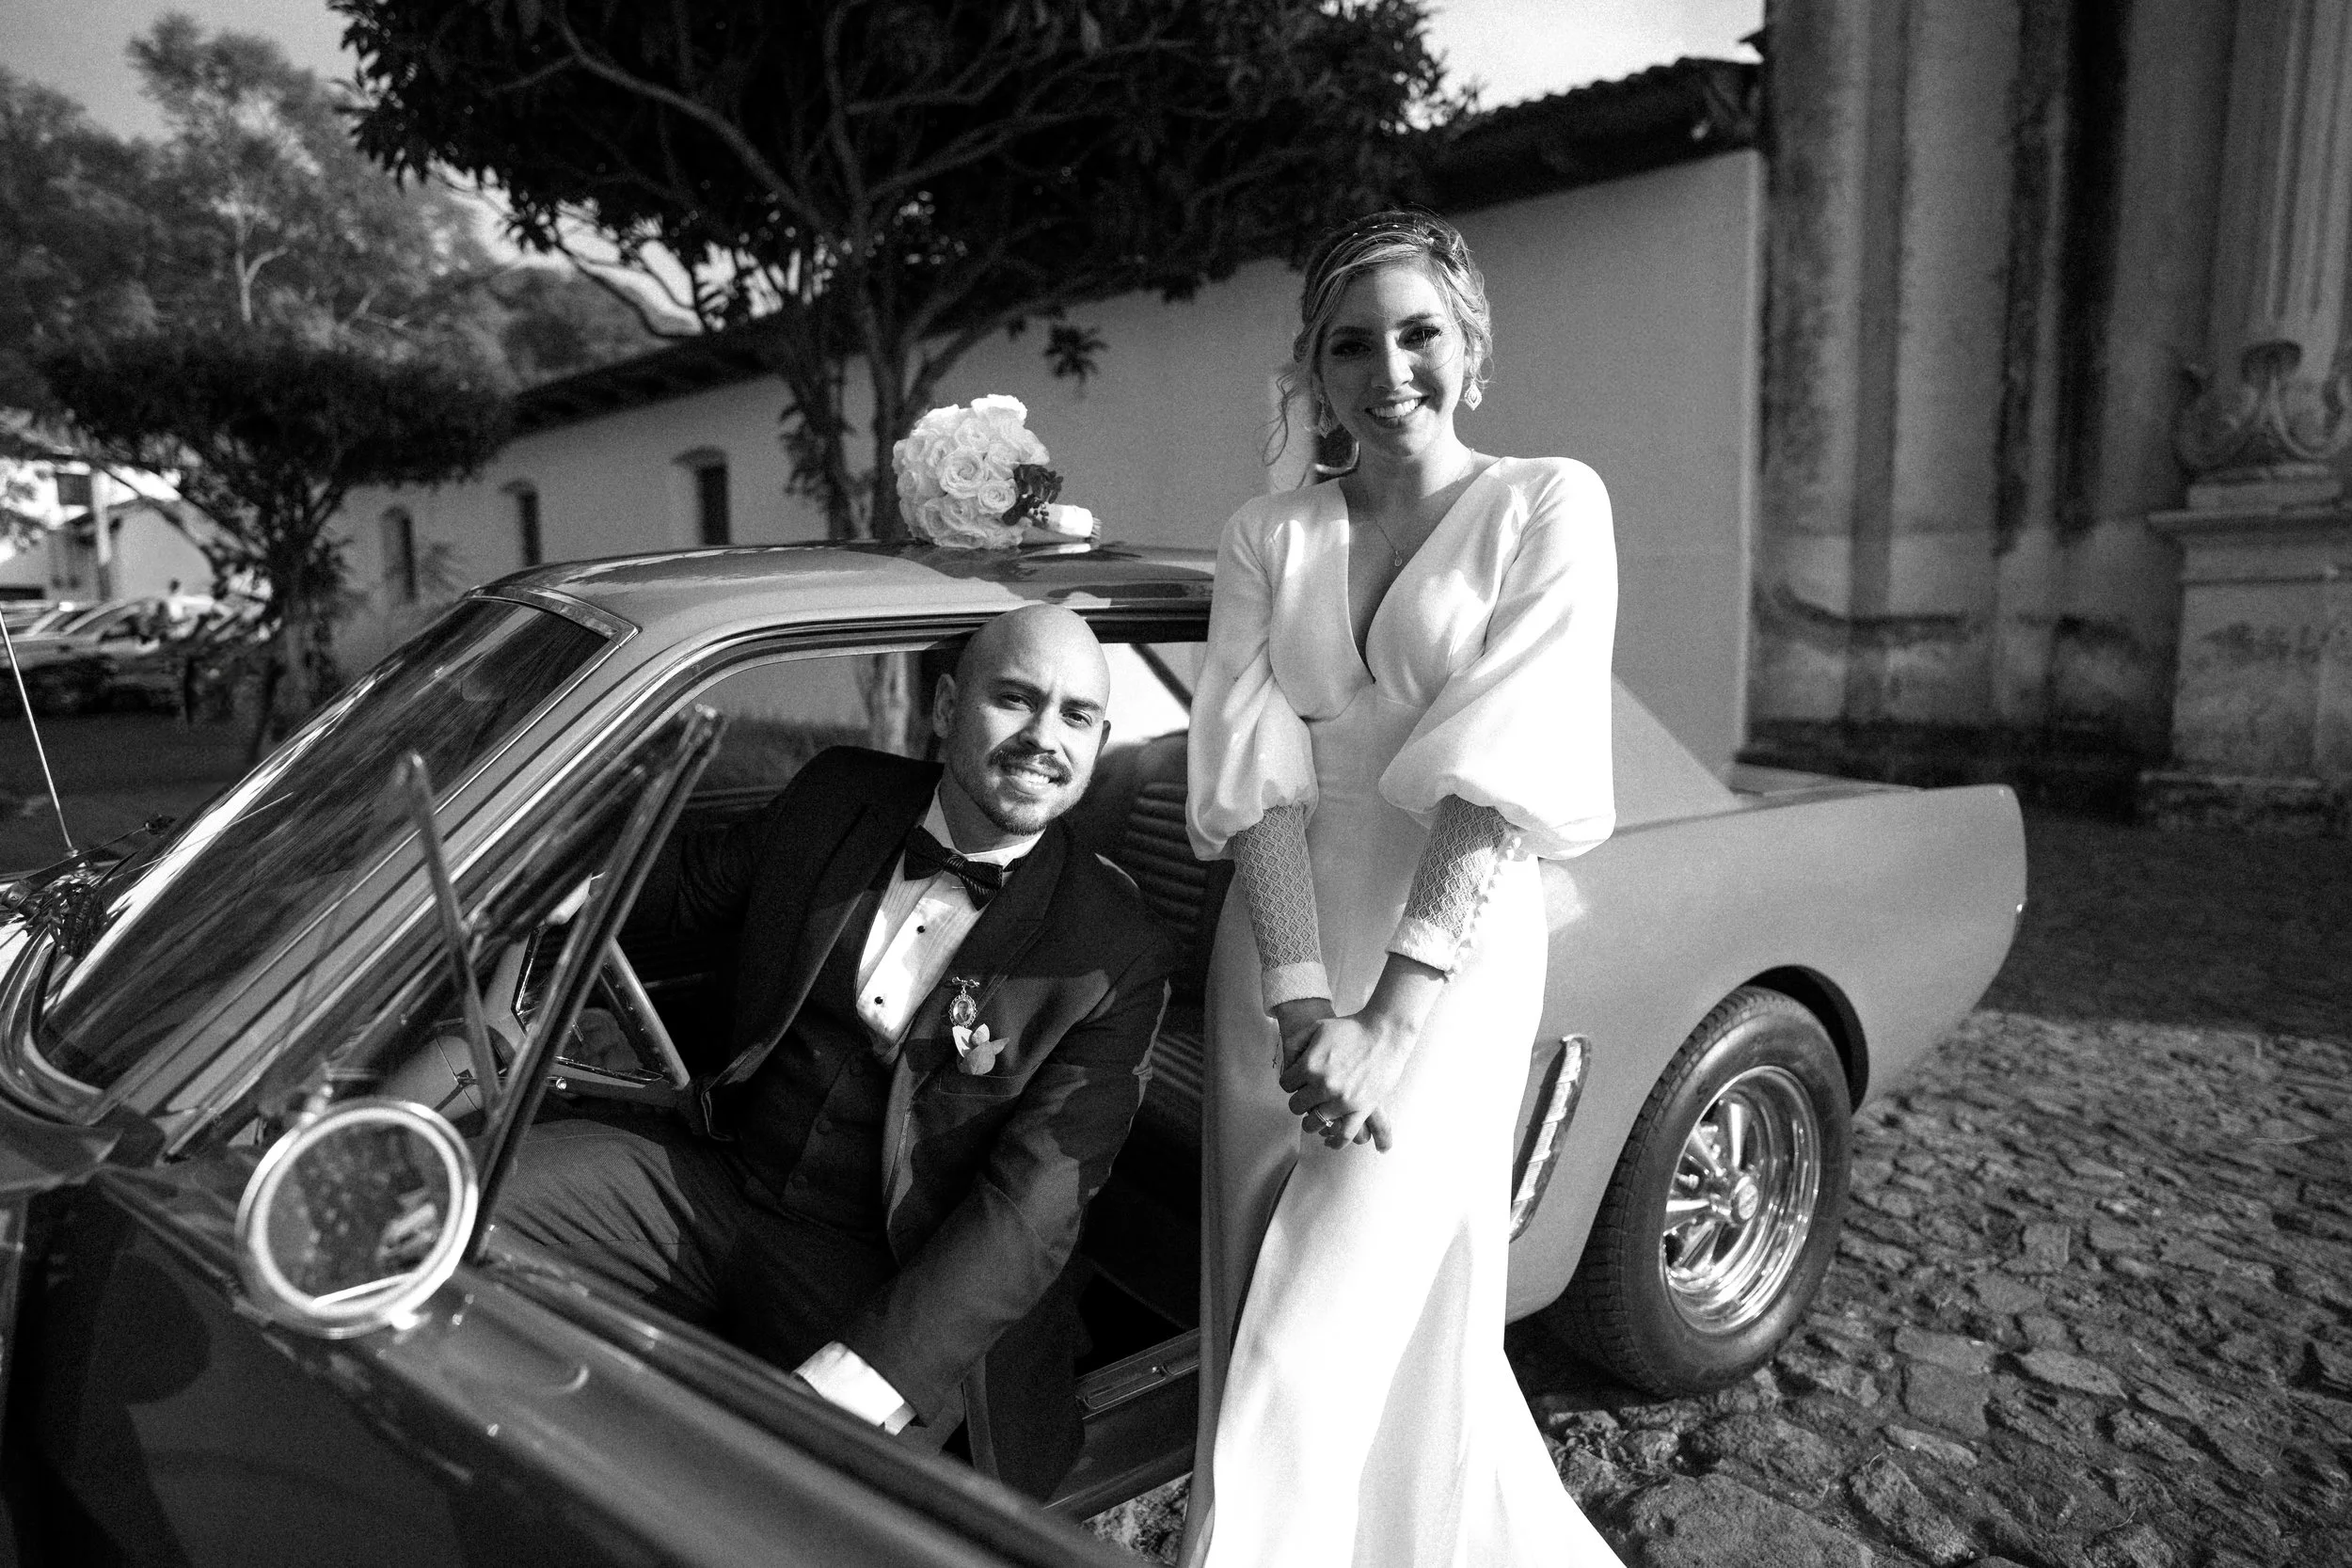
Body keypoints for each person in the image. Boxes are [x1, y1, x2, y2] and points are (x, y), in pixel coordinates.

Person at [497, 604, 1179, 1497]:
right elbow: (687, 889)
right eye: (1015, 699)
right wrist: (532, 869)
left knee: (791, 1500)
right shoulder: (837, 795)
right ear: (944, 707)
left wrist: (856, 1381)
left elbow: (1030, 1210)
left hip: (882, 1265)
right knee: (445, 1206)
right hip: (714, 1179)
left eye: (1076, 716)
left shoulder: (1112, 947)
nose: (1044, 737)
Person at [1181, 210, 1624, 1567]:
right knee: (1311, 1308)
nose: (1391, 369)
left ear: (1471, 346)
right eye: (1351, 343)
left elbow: (1504, 773)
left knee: (1296, 1353)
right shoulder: (1269, 532)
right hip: (1280, 965)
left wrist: (1387, 1018)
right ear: (1315, 372)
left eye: (1420, 333)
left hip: (1451, 971)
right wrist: (1307, 1000)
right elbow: (1256, 775)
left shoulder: (1549, 501)